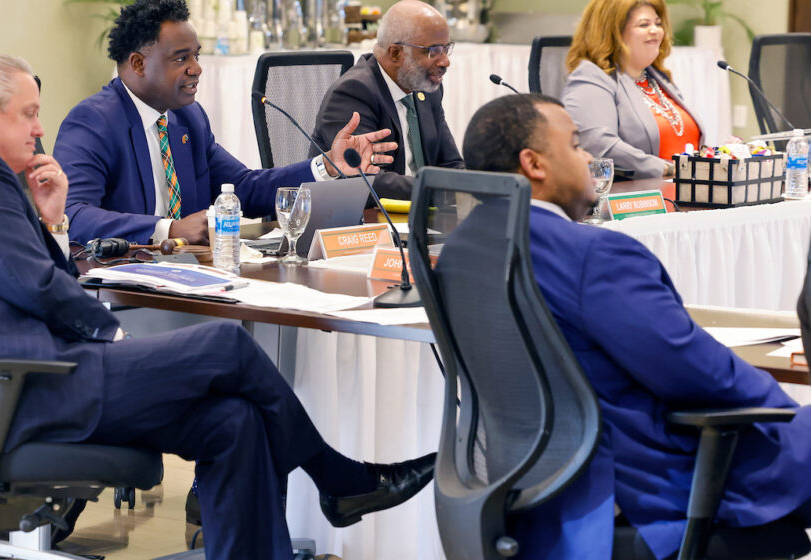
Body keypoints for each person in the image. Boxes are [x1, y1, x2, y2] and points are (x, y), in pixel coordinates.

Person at [0, 51, 434, 560]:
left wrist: (55, 221)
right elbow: (34, 286)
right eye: (28, 114)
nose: (38, 128)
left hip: (40, 377)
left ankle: (294, 523)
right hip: (28, 388)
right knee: (226, 343)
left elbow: (35, 277)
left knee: (235, 421)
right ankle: (340, 478)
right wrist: (114, 337)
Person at [456, 93, 811, 558]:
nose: (590, 158)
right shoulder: (592, 255)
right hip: (644, 488)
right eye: (577, 145)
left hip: (530, 487)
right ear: (534, 164)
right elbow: (696, 371)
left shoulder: (463, 249)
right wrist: (787, 413)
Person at [53, 0, 394, 246]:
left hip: (191, 276)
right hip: (122, 281)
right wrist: (167, 229)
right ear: (139, 63)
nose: (196, 68)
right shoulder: (93, 121)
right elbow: (73, 215)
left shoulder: (188, 118)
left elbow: (244, 188)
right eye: (181, 58)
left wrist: (327, 166)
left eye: (196, 55)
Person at [310, 0, 463, 200]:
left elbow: (450, 163)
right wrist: (437, 190)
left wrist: (472, 186)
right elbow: (367, 180)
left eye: (446, 49)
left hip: (421, 215)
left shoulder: (425, 87)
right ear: (396, 53)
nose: (445, 61)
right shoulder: (353, 92)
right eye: (433, 51)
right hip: (367, 221)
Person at [562, 0, 704, 179]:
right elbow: (599, 145)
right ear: (613, 32)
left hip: (690, 190)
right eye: (644, 24)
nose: (655, 30)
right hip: (638, 197)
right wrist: (667, 169)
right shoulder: (592, 77)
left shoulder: (659, 78)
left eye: (658, 23)